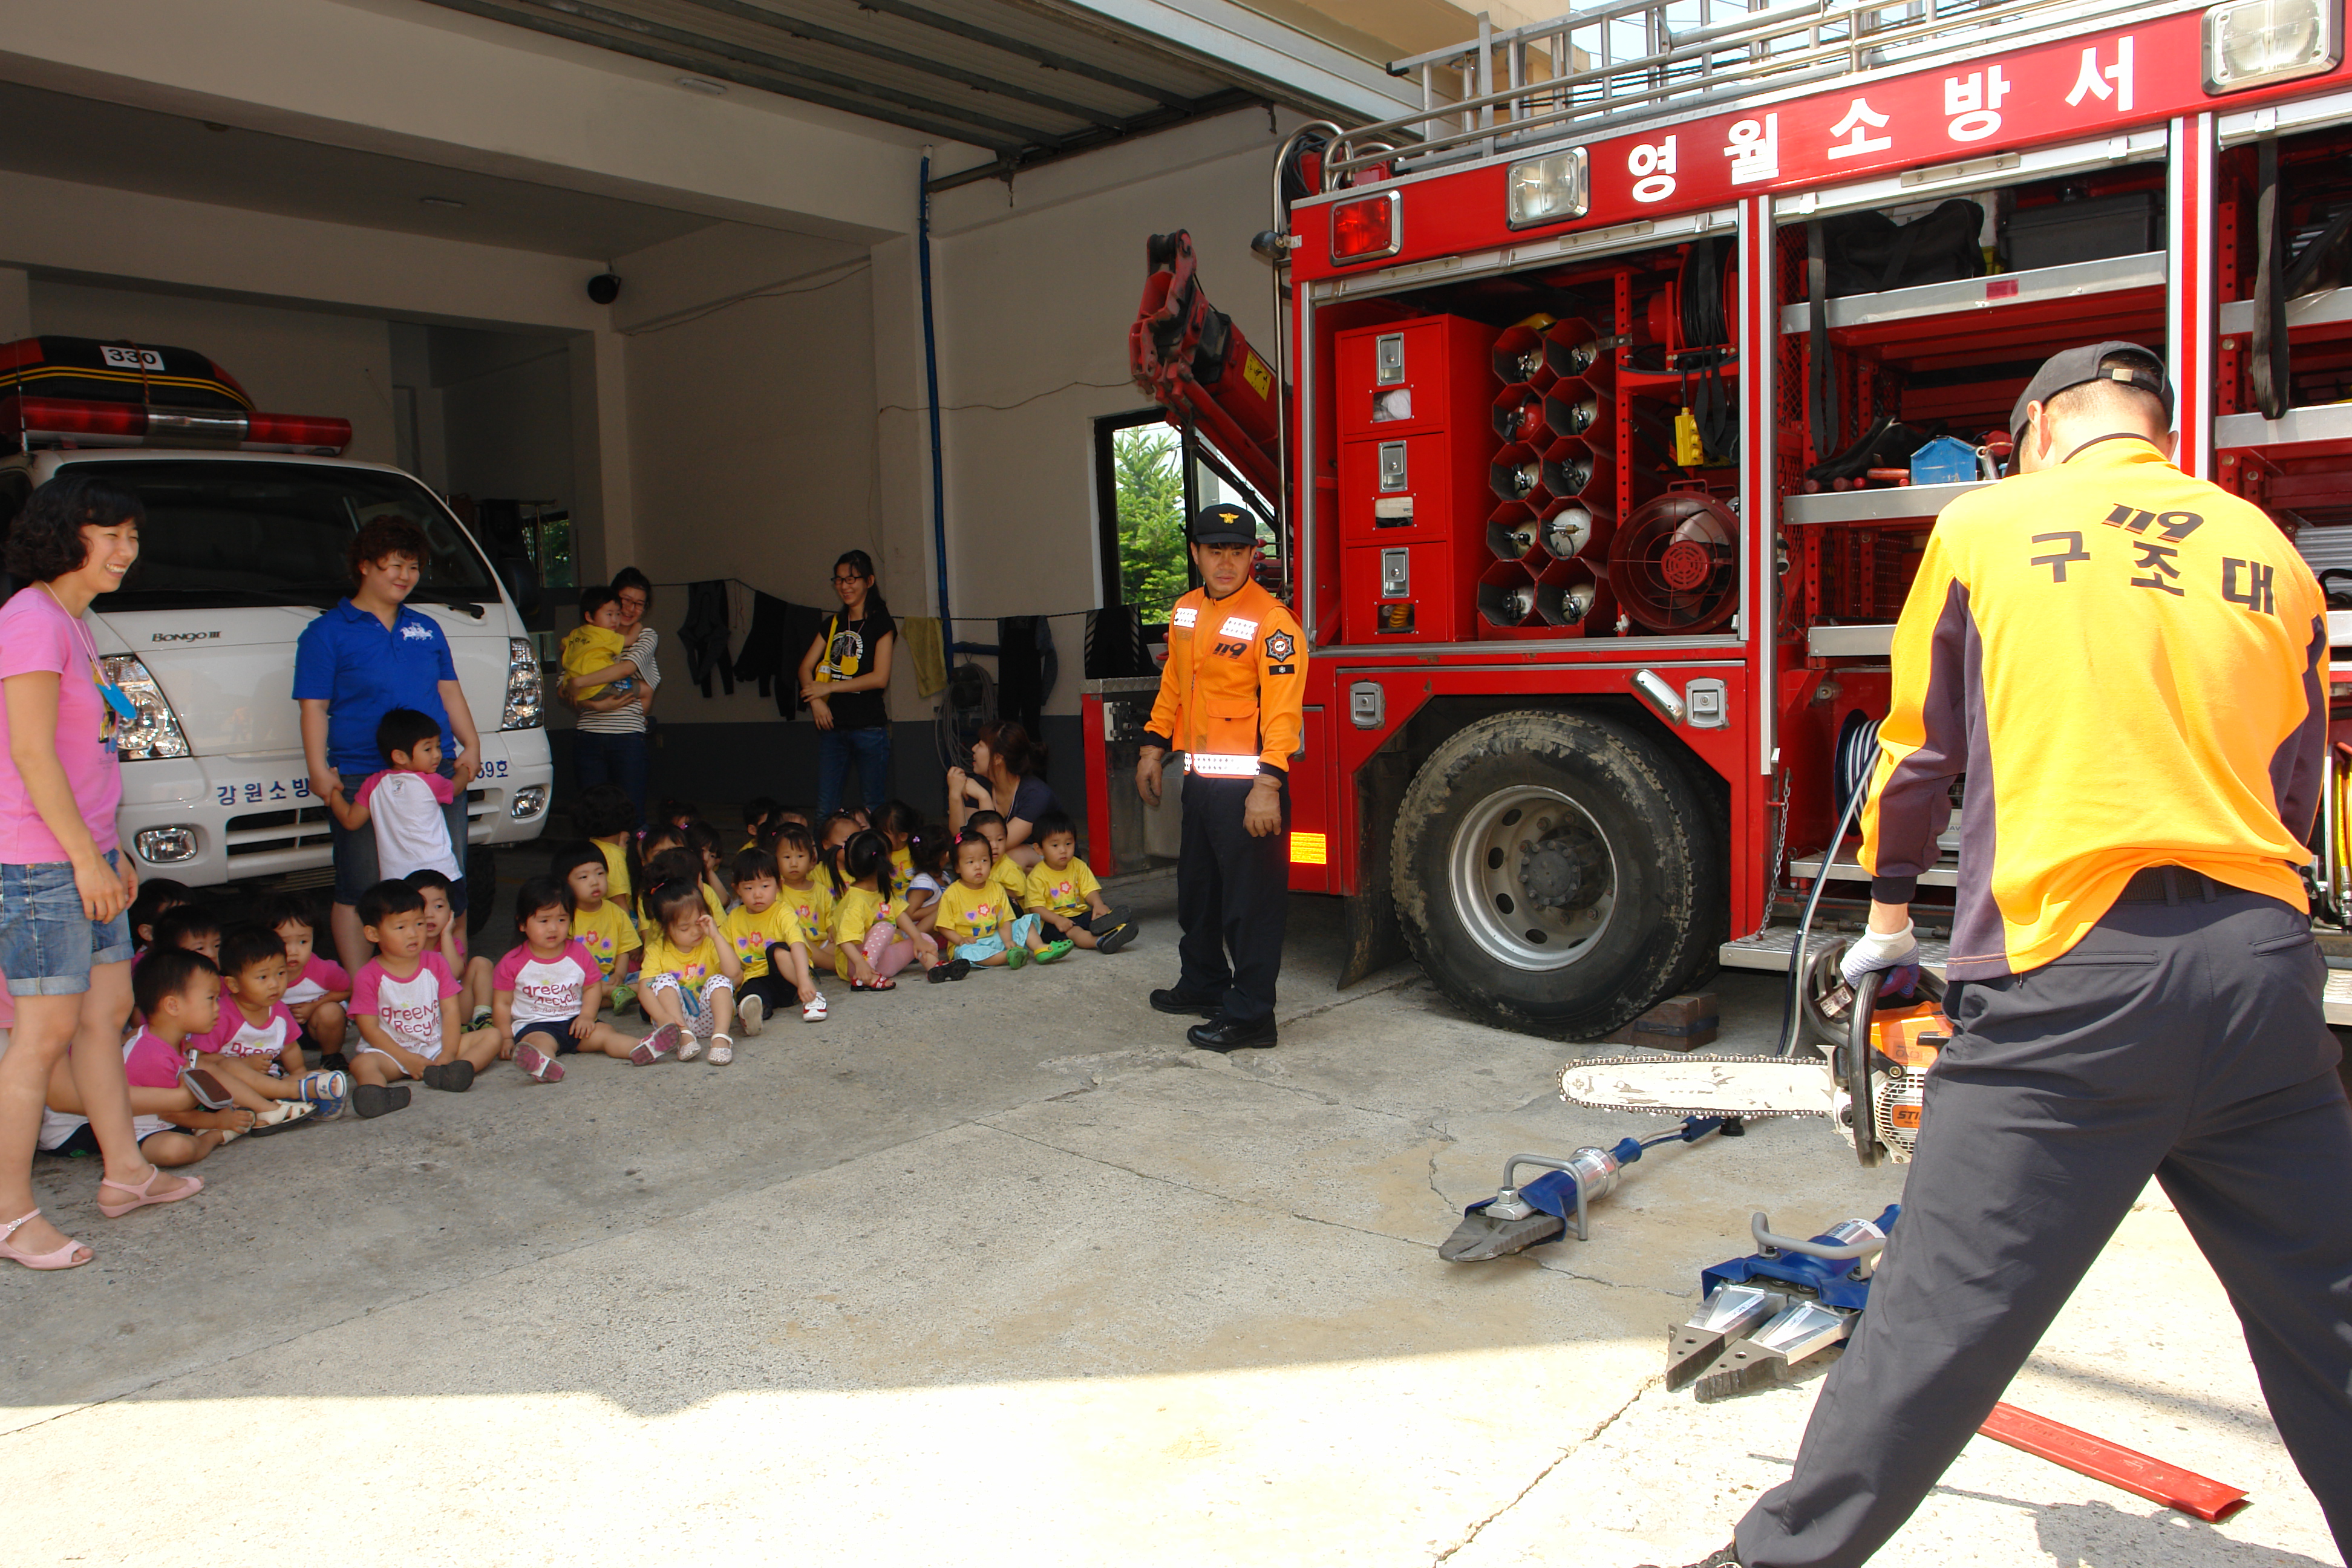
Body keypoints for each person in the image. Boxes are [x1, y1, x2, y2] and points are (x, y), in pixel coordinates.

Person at [1667, 344, 2352, 1568]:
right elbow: (2294, 783)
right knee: (2331, 1318)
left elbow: (1918, 754)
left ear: (2037, 430)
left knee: (1936, 1316)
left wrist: (1886, 922)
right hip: (2262, 972)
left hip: (2069, 978)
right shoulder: (2270, 552)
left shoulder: (1988, 526)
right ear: (2155, 430)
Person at [0, 475, 202, 1269]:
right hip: (41, 861)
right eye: (110, 534)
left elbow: (88, 753)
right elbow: (30, 753)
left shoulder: (75, 623)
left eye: (133, 536)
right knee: (42, 1035)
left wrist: (107, 845)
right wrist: (84, 857)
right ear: (64, 535)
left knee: (108, 1009)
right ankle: (11, 1217)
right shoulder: (30, 620)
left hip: (84, 855)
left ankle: (126, 1172)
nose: (127, 550)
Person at [1137, 502, 1307, 1053]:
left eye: (1237, 551)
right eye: (1215, 551)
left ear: (1253, 555)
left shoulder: (1273, 621)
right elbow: (1174, 683)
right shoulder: (1186, 611)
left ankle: (1253, 1016)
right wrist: (1152, 746)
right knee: (1199, 893)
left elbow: (1283, 713)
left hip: (1249, 790)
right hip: (1201, 782)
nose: (1227, 562)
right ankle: (1205, 982)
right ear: (1196, 554)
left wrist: (1268, 786)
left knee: (1249, 907)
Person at [297, 514, 482, 982]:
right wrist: (319, 769)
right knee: (360, 884)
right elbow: (314, 707)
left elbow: (449, 690)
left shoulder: (427, 628)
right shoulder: (325, 633)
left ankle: (446, 985)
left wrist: (472, 743)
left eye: (413, 567)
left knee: (446, 883)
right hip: (362, 772)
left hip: (434, 771)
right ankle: (366, 991)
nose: (406, 576)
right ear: (364, 565)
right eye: (394, 565)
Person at [42, 950, 256, 1170]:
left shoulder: (166, 1040)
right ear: (172, 1006)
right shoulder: (150, 1053)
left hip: (147, 1118)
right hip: (100, 1127)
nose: (218, 1007)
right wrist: (217, 1122)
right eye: (211, 999)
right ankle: (215, 1136)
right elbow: (170, 1112)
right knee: (176, 1150)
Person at [348, 879, 497, 1112]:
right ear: (373, 933)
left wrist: (448, 1053)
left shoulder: (436, 963)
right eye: (401, 927)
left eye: (419, 924)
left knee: (492, 1037)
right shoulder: (368, 976)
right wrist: (406, 1059)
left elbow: (451, 1011)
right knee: (362, 1063)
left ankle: (452, 1073)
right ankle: (377, 1094)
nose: (413, 934)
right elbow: (370, 1030)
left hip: (436, 1048)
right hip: (392, 1054)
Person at [192, 926, 345, 1119]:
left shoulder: (279, 1009)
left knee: (321, 1074)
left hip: (271, 1081)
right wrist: (244, 1064)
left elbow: (290, 1048)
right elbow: (199, 1061)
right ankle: (294, 1095)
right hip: (232, 1089)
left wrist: (299, 1074)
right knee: (230, 1066)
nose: (274, 984)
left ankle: (293, 1097)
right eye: (263, 977)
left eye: (281, 973)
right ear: (234, 984)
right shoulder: (221, 1014)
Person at [493, 877, 637, 1080]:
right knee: (539, 1044)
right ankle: (543, 1066)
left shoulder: (579, 953)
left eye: (562, 920)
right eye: (544, 921)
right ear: (522, 924)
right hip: (536, 1025)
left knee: (606, 1035)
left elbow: (592, 987)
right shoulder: (512, 962)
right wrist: (506, 1038)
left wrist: (587, 1016)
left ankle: (642, 1048)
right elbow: (502, 1003)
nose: (553, 928)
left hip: (576, 1021)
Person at [325, 708, 465, 912]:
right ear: (399, 756)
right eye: (428, 749)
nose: (437, 755)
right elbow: (456, 788)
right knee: (450, 920)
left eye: (438, 746)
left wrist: (333, 791)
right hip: (440, 873)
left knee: (406, 925)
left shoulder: (373, 784)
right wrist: (464, 770)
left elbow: (350, 820)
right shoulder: (431, 782)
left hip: (396, 881)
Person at [798, 549, 897, 816]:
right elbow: (805, 668)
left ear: (869, 581)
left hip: (869, 728)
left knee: (873, 806)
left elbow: (880, 678)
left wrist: (829, 687)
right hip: (833, 727)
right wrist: (816, 702)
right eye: (839, 580)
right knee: (826, 807)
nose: (844, 586)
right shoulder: (833, 623)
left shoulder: (881, 623)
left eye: (852, 579)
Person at [567, 567, 661, 825]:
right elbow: (564, 688)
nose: (630, 609)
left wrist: (581, 682)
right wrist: (594, 705)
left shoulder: (645, 635)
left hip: (627, 738)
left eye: (639, 604)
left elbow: (626, 669)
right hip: (588, 736)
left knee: (631, 814)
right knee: (592, 816)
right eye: (625, 600)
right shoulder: (585, 636)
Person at [633, 878, 740, 1065]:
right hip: (674, 1022)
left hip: (710, 1017)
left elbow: (733, 972)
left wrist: (716, 936)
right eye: (685, 928)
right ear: (664, 927)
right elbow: (644, 990)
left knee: (721, 980)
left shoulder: (709, 942)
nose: (695, 931)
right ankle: (684, 1038)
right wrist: (664, 1018)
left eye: (699, 922)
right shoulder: (657, 950)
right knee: (662, 980)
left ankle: (721, 1038)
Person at [828, 829, 949, 990]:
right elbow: (845, 941)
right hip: (856, 966)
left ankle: (935, 968)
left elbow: (899, 914)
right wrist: (861, 965)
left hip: (883, 961)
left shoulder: (880, 890)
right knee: (885, 927)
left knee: (923, 938)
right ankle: (864, 978)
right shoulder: (856, 901)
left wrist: (917, 938)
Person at [722, 847, 828, 1028]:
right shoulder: (733, 919)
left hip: (791, 978)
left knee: (777, 951)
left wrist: (804, 979)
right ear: (737, 889)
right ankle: (754, 1015)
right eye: (749, 888)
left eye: (765, 886)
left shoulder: (783, 912)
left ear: (779, 885)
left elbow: (798, 944)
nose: (757, 894)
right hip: (757, 978)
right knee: (749, 993)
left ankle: (813, 996)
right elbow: (724, 954)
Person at [926, 831, 1060, 972]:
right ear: (958, 867)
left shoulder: (996, 888)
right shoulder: (952, 894)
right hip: (971, 944)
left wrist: (1008, 940)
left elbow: (1003, 919)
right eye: (971, 862)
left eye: (984, 860)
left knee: (1025, 922)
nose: (978, 866)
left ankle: (1039, 948)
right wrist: (960, 940)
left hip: (996, 937)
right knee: (966, 953)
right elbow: (944, 926)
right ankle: (1007, 956)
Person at [948, 720, 1060, 865]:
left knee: (1008, 857)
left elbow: (993, 848)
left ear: (997, 758)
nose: (973, 749)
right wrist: (955, 795)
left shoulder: (1036, 794)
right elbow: (961, 840)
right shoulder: (980, 783)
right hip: (1021, 860)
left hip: (1057, 859)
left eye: (981, 745)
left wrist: (984, 798)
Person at [1024, 811, 1135, 953]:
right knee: (1075, 932)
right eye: (1055, 845)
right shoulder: (1037, 876)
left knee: (1099, 916)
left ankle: (1114, 930)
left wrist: (1098, 904)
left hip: (1080, 914)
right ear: (1039, 849)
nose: (1063, 850)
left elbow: (1089, 890)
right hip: (1052, 922)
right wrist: (1057, 920)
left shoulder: (1078, 866)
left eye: (1068, 843)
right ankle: (1100, 942)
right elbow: (1036, 907)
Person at [552, 840, 641, 1012]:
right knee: (564, 991)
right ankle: (611, 995)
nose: (594, 882)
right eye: (584, 877)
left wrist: (619, 975)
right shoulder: (564, 915)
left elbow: (623, 950)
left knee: (649, 982)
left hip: (611, 977)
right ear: (566, 883)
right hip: (578, 981)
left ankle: (611, 994)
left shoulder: (616, 912)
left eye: (600, 873)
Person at [266, 895, 350, 1065]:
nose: (293, 951)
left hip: (315, 1028)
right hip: (278, 1033)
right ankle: (276, 1062)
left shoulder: (324, 970)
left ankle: (331, 1056)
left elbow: (347, 990)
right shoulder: (262, 973)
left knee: (331, 1012)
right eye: (284, 943)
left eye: (303, 941)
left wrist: (313, 1007)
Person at [772, 822, 837, 981]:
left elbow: (831, 915)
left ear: (811, 859)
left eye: (800, 857)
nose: (794, 863)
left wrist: (832, 929)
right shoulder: (776, 891)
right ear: (776, 860)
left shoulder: (820, 889)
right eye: (787, 857)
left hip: (824, 944)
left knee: (844, 942)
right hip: (797, 944)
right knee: (794, 944)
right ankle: (833, 964)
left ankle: (815, 962)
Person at [560, 586, 637, 702]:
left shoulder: (576, 633)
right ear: (589, 617)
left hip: (576, 688)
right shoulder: (607, 635)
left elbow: (562, 646)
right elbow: (630, 639)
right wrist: (638, 625)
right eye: (609, 614)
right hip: (599, 686)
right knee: (646, 690)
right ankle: (644, 713)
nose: (615, 620)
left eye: (618, 614)